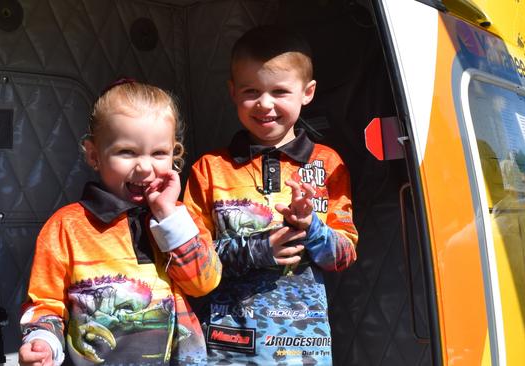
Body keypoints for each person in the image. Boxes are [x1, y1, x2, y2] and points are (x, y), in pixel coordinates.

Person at [183, 25, 359, 365]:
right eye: (251, 91)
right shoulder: (209, 168)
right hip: (228, 348)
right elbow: (192, 265)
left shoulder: (328, 164)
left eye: (280, 91)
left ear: (307, 92)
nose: (265, 104)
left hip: (304, 349)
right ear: (232, 91)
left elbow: (343, 256)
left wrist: (311, 227)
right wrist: (257, 250)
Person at [18, 79, 222, 366]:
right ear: (93, 154)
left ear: (175, 154)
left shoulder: (180, 217)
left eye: (159, 153)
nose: (145, 167)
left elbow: (204, 283)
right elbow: (45, 304)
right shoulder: (66, 227)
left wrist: (168, 216)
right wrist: (43, 342)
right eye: (127, 152)